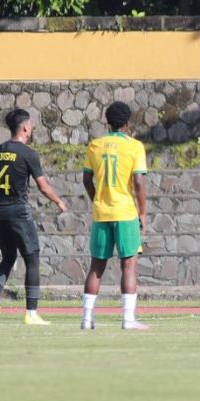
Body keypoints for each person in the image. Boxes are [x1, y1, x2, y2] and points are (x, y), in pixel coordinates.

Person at [0, 108, 68, 325]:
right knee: (32, 258)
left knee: (8, 257)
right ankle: (31, 313)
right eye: (30, 125)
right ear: (24, 127)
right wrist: (58, 201)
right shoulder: (29, 154)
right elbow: (42, 186)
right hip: (18, 212)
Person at [81, 101, 149, 330]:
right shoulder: (134, 146)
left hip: (102, 212)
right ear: (127, 123)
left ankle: (86, 319)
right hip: (125, 212)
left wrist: (97, 199)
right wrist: (143, 212)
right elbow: (138, 181)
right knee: (128, 265)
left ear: (107, 121)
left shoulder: (95, 145)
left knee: (96, 266)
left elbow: (86, 179)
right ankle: (128, 320)